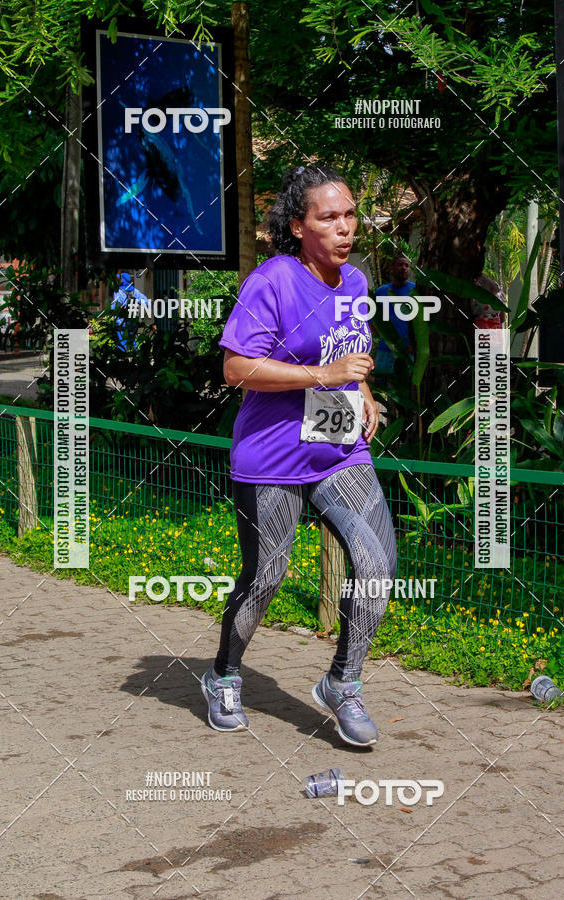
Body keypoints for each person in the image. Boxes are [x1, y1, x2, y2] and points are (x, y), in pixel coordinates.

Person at [200, 165, 398, 747]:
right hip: (273, 455)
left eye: (350, 215)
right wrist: (322, 374)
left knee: (377, 562)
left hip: (338, 448)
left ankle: (344, 682)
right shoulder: (274, 280)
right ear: (298, 226)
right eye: (328, 218)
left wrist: (361, 393)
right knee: (266, 576)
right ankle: (223, 674)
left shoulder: (356, 283)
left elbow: (351, 352)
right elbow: (238, 369)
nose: (345, 228)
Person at [372, 252, 416, 381]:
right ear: (392, 268)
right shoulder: (381, 291)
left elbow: (421, 321)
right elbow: (373, 319)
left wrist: (414, 344)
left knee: (405, 391)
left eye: (407, 266)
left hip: (407, 351)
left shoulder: (415, 291)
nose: (404, 268)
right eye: (400, 264)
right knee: (382, 386)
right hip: (385, 350)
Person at [110, 272, 149, 350]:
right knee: (133, 337)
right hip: (132, 317)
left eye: (120, 278)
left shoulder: (118, 291)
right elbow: (146, 302)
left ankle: (122, 355)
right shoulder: (135, 291)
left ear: (123, 280)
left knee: (121, 338)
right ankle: (136, 354)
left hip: (121, 319)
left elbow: (114, 307)